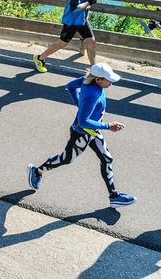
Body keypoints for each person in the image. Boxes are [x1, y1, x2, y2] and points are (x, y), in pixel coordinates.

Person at [27, 63, 136, 208]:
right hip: (81, 133)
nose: (111, 82)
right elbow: (83, 122)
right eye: (108, 80)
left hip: (93, 131)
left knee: (107, 158)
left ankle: (114, 197)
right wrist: (108, 126)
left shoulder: (87, 81)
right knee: (66, 159)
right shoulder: (92, 94)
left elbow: (70, 86)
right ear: (98, 79)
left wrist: (81, 106)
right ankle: (36, 171)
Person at [34, 0, 98, 73]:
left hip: (82, 20)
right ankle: (40, 58)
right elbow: (74, 8)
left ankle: (94, 69)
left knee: (91, 41)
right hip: (72, 21)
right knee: (62, 43)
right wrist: (89, 3)